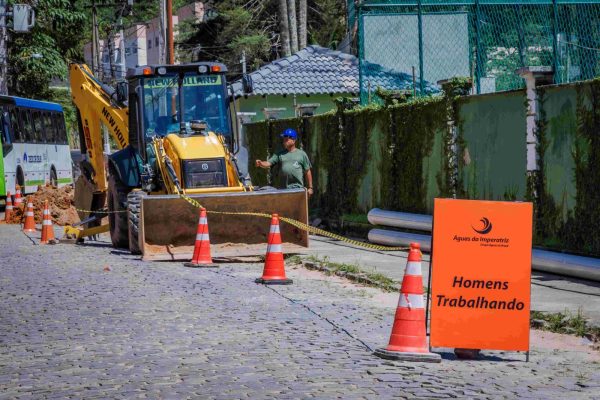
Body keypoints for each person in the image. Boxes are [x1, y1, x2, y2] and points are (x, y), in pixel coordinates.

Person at [255, 128, 313, 195]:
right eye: (284, 138)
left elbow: (307, 171)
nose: (284, 140)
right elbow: (268, 163)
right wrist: (261, 163)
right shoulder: (279, 154)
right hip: (284, 190)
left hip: (298, 189)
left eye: (287, 138)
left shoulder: (302, 154)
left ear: (294, 140)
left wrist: (310, 188)